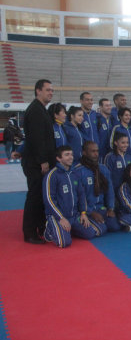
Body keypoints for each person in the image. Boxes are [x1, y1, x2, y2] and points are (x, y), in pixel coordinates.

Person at [43, 145, 106, 248]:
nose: (71, 157)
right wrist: (60, 218)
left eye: (71, 154)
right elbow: (49, 199)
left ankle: (71, 229)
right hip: (59, 216)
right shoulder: (52, 175)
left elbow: (81, 195)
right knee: (64, 243)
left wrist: (83, 213)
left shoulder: (74, 173)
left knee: (97, 230)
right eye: (66, 155)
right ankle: (50, 228)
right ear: (59, 158)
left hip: (74, 216)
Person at [22, 79, 56, 244]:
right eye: (47, 90)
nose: (50, 92)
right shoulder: (36, 110)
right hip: (36, 163)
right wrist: (43, 161)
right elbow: (36, 139)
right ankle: (29, 233)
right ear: (38, 91)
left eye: (52, 90)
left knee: (39, 197)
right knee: (34, 197)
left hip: (39, 161)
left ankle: (39, 227)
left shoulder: (41, 109)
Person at [76, 141, 121, 232]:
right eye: (93, 151)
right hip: (86, 210)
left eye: (97, 151)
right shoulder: (78, 171)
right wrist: (90, 212)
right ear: (84, 153)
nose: (96, 154)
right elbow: (78, 196)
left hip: (100, 208)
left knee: (115, 227)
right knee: (100, 229)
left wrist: (110, 208)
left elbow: (110, 190)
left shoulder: (103, 168)